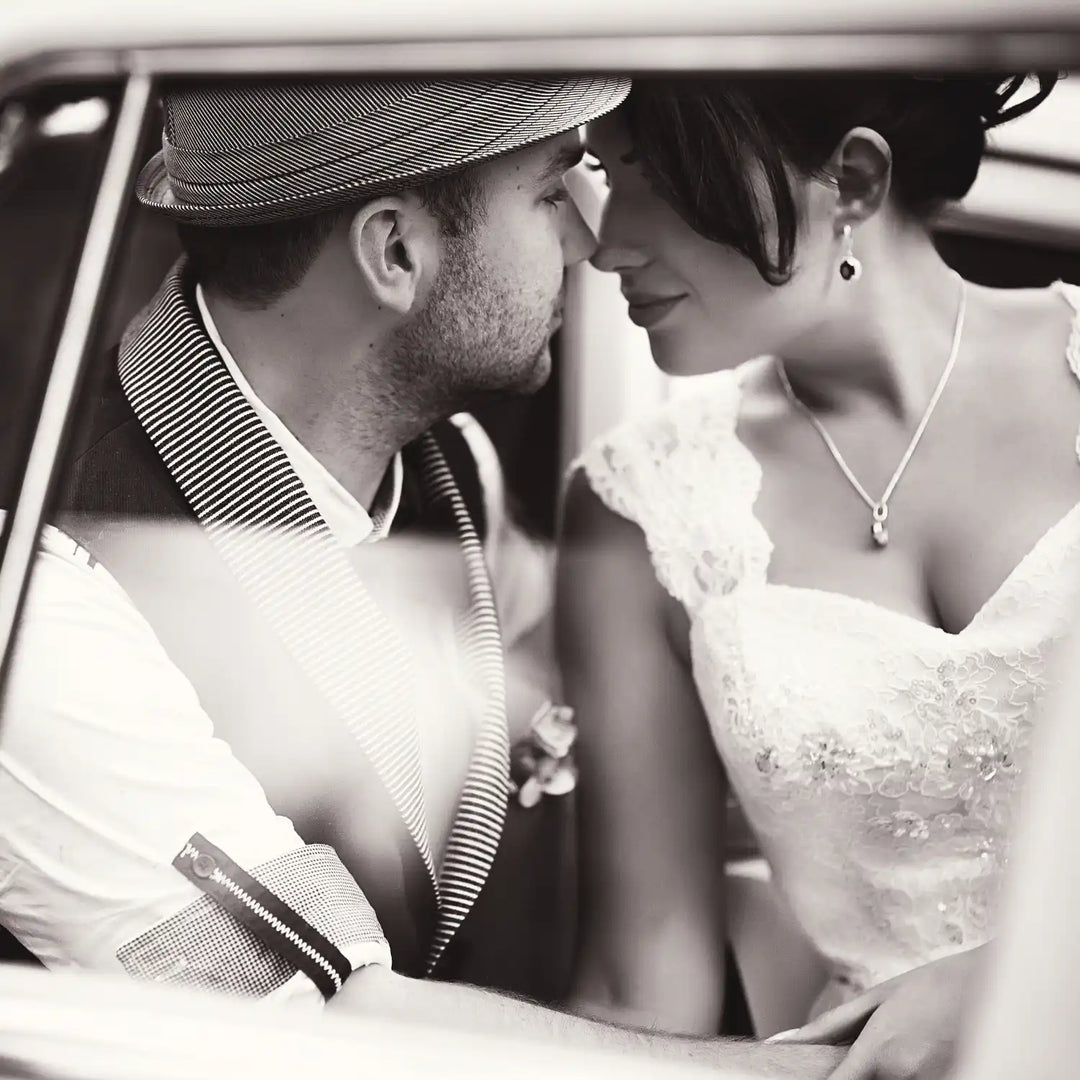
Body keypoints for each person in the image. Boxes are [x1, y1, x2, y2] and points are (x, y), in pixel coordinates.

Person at [0, 75, 843, 1078]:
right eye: (549, 192)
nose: (588, 242)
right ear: (395, 252)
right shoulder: (39, 600)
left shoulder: (457, 483)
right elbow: (311, 1036)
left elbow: (566, 716)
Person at [560, 71, 1072, 1080]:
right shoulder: (638, 515)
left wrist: (1001, 984)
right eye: (606, 177)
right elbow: (640, 985)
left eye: (657, 181)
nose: (609, 243)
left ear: (851, 180)